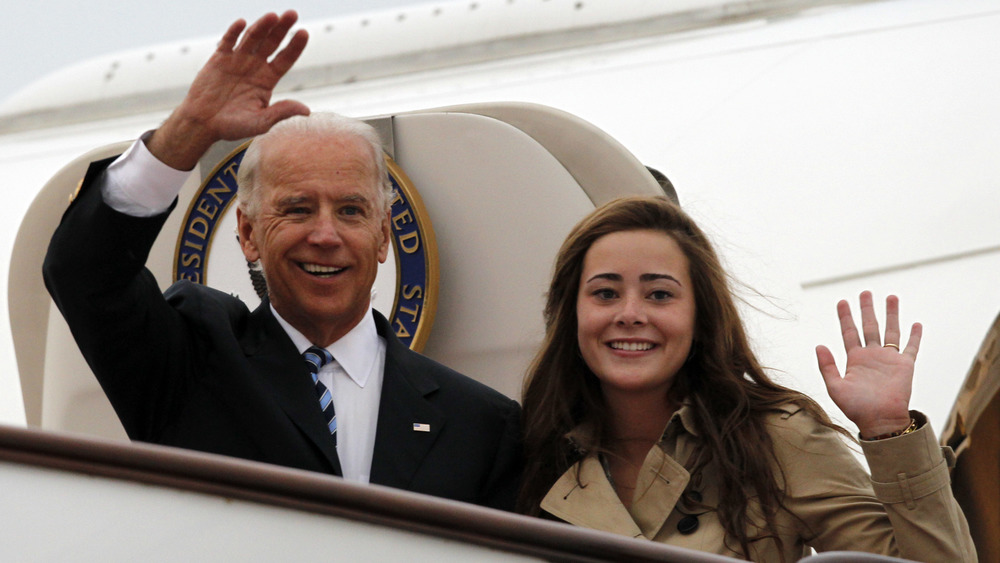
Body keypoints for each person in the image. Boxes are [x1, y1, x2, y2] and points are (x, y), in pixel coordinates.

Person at [43, 11, 521, 511]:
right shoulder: (191, 365)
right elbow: (84, 271)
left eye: (351, 211)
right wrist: (188, 132)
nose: (325, 235)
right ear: (248, 234)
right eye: (297, 209)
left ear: (384, 237)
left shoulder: (481, 424)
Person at [518, 196, 975, 561]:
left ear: (700, 316)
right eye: (605, 293)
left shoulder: (775, 435)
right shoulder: (527, 451)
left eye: (659, 294)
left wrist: (889, 432)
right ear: (571, 313)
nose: (631, 314)